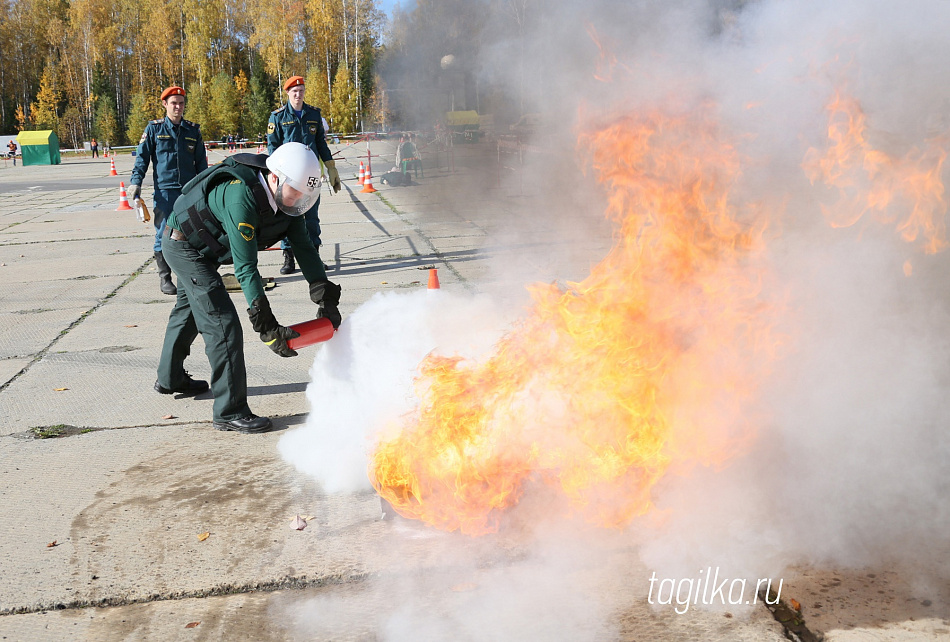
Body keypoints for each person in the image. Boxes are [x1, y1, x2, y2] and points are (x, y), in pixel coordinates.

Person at [154, 142, 343, 433]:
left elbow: (305, 249)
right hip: (183, 246)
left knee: (189, 311)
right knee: (222, 323)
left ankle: (170, 379)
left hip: (208, 248)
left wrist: (325, 297)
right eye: (296, 191)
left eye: (306, 194)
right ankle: (229, 411)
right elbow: (245, 269)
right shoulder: (241, 196)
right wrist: (266, 325)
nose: (299, 199)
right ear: (276, 178)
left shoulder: (288, 203)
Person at [131, 86, 208, 295]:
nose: (178, 107)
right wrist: (135, 183)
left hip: (189, 192)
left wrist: (205, 187)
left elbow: (201, 163)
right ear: (165, 104)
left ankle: (190, 275)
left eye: (181, 103)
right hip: (164, 193)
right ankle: (165, 278)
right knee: (163, 234)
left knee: (192, 232)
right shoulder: (154, 129)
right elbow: (142, 159)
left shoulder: (193, 131)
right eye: (173, 103)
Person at [267, 75, 341, 274]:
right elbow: (272, 147)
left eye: (301, 91)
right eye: (294, 91)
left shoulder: (314, 114)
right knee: (287, 216)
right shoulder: (278, 117)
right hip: (288, 178)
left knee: (311, 218)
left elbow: (321, 144)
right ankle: (289, 258)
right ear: (288, 93)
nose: (298, 95)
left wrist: (331, 167)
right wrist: (275, 173)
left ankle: (313, 258)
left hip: (310, 176)